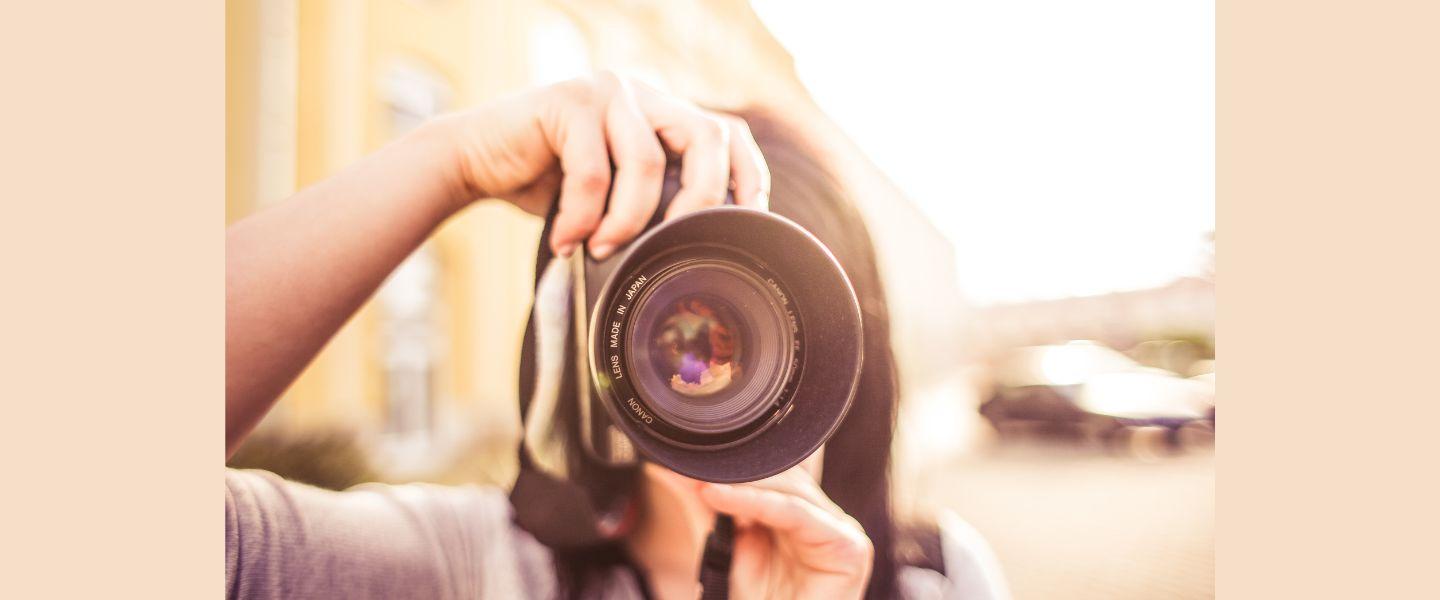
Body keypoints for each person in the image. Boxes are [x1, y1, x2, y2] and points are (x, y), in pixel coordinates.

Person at [226, 72, 1007, 600]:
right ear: (586, 334)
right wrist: (455, 160)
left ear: (848, 352)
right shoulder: (472, 569)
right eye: (673, 314)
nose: (705, 358)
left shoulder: (938, 576)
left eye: (767, 319)